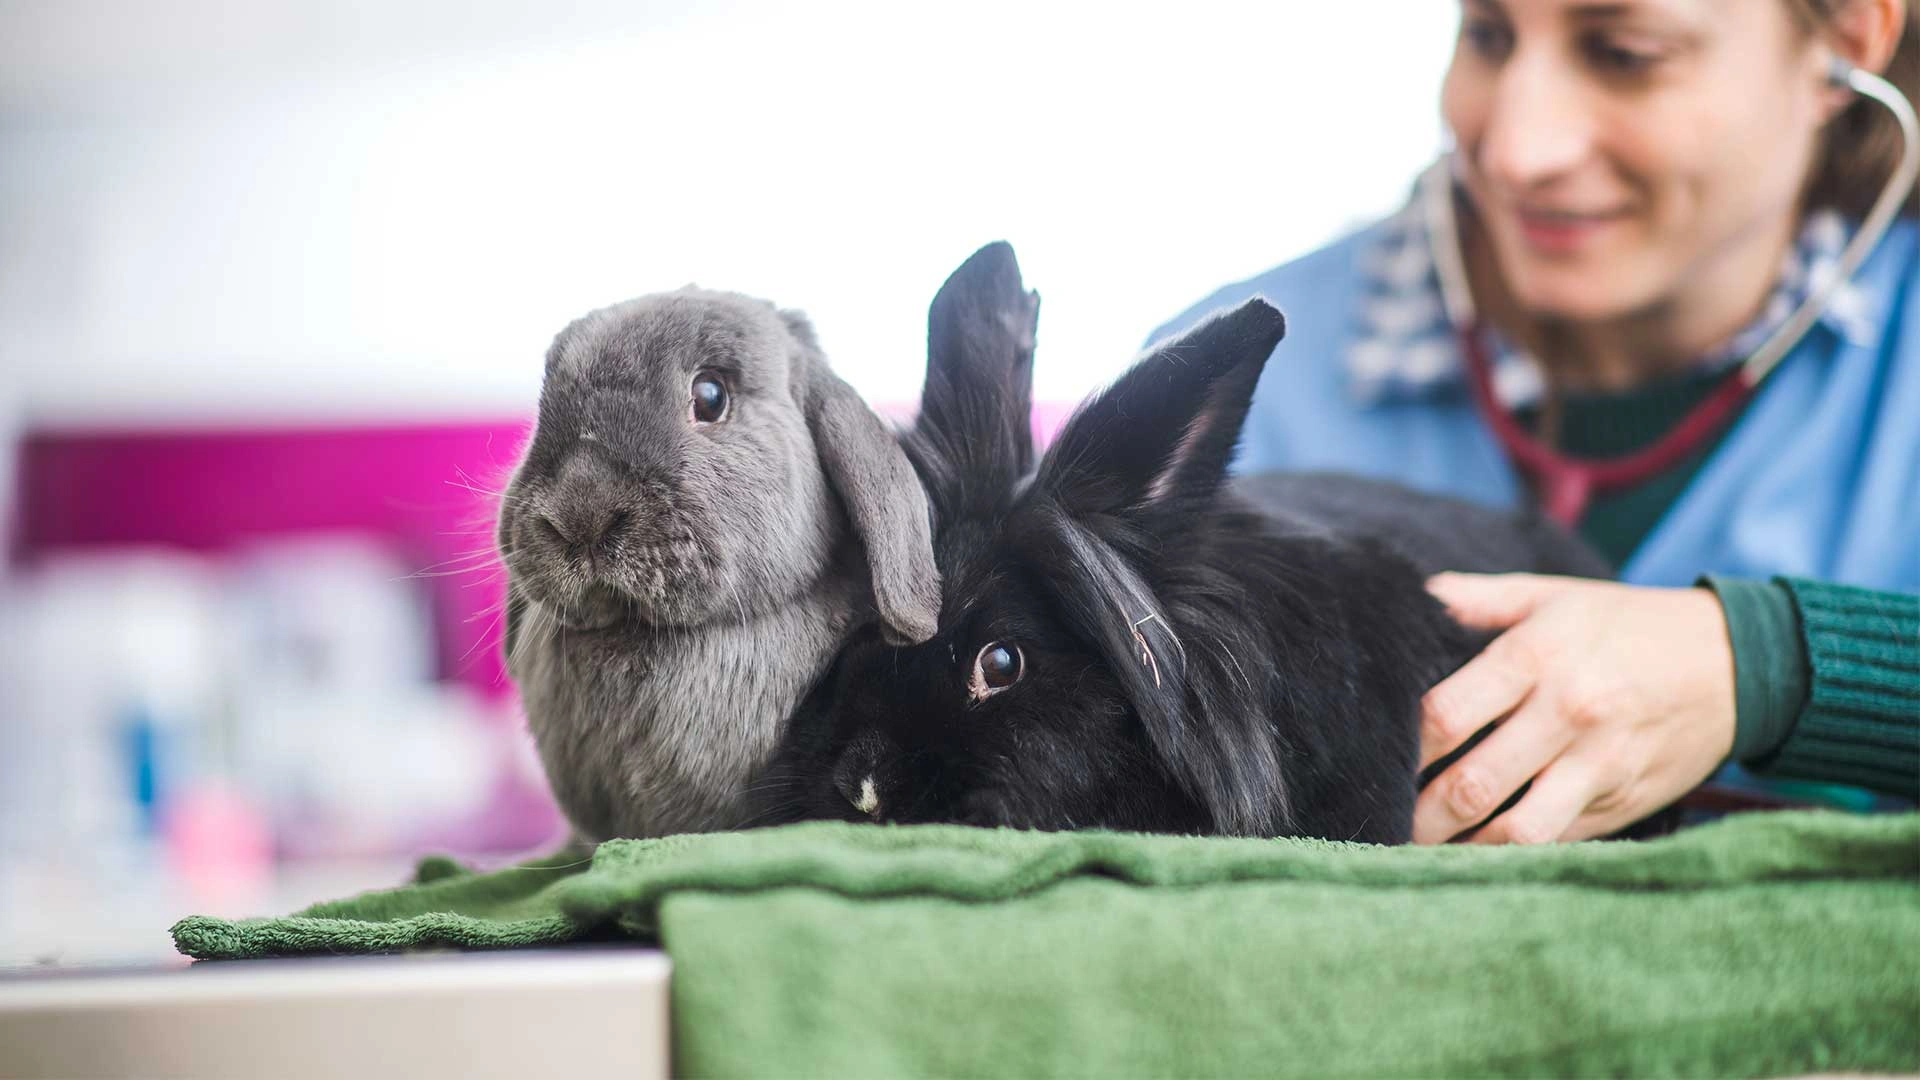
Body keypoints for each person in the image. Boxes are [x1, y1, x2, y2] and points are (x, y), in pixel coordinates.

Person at [1148, 0, 1919, 844]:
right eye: (1486, 34)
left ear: (1850, 37)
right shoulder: (1222, 384)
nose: (1520, 151)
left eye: (1626, 52)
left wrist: (1775, 664)